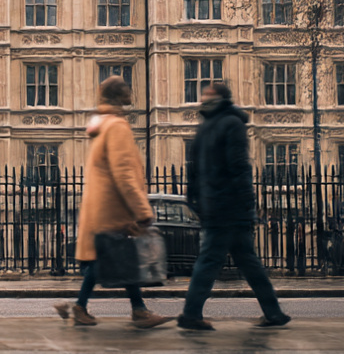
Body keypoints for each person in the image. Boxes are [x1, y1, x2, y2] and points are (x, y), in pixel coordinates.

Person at [55, 76, 172, 328]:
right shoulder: (117, 126)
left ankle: (130, 310)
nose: (132, 91)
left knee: (117, 257)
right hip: (113, 207)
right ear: (121, 95)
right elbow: (124, 172)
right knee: (112, 258)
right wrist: (142, 209)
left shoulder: (101, 125)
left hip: (101, 206)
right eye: (127, 88)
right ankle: (85, 307)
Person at [179, 81, 291, 330]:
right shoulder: (231, 124)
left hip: (215, 205)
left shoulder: (205, 128)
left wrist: (195, 201)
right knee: (219, 261)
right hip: (230, 206)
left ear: (219, 98)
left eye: (208, 94)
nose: (202, 98)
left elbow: (193, 172)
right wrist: (248, 203)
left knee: (244, 261)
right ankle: (191, 313)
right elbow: (239, 167)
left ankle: (273, 312)